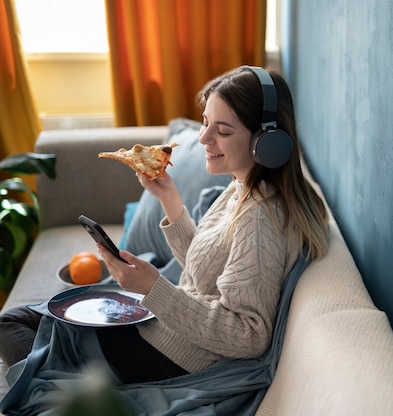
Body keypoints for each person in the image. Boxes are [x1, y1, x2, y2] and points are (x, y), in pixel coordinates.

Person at [0, 66, 329, 385]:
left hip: (172, 355)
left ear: (266, 142)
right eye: (205, 123)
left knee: (14, 324)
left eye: (223, 130)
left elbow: (248, 335)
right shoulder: (243, 187)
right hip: (164, 328)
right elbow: (207, 271)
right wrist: (170, 200)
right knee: (37, 319)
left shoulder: (259, 218)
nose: (204, 138)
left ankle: (76, 397)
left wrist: (155, 288)